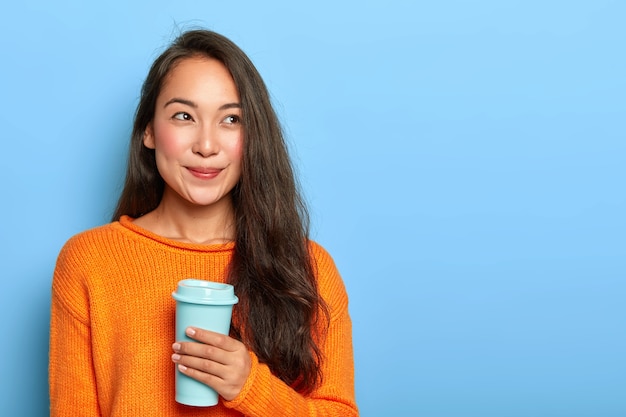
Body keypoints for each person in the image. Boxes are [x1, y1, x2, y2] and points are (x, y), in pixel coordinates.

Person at [49, 29, 358, 416]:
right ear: (148, 130)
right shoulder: (89, 262)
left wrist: (250, 386)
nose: (207, 145)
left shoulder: (309, 268)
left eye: (230, 119)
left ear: (253, 136)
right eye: (184, 116)